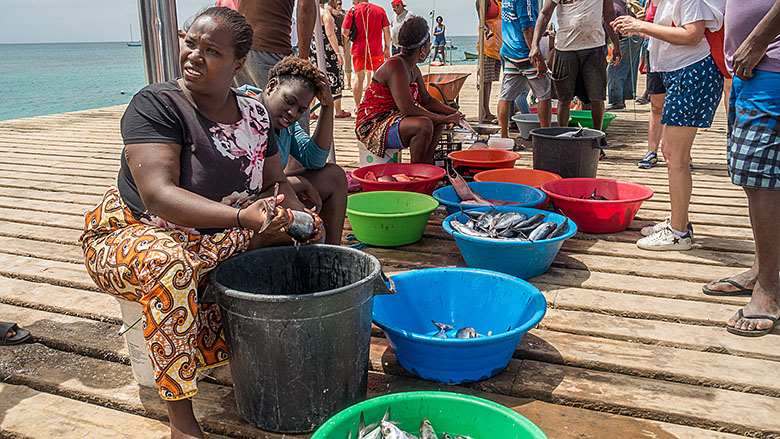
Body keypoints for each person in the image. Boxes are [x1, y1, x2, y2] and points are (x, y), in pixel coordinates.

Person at [79, 9, 324, 439]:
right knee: (172, 265)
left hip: (215, 235)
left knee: (299, 242)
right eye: (191, 43)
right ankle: (181, 420)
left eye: (212, 51)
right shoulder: (157, 104)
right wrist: (241, 217)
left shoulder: (254, 114)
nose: (194, 55)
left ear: (237, 63)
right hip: (136, 232)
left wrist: (292, 212)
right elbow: (158, 195)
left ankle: (268, 356)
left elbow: (271, 181)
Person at [612, 0, 724, 251]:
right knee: (670, 152)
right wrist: (640, 28)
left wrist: (641, 25)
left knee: (676, 156)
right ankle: (678, 221)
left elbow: (692, 35)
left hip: (691, 72)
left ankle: (679, 233)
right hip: (679, 72)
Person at [702, 0, 780, 337]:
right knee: (755, 178)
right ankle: (762, 270)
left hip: (770, 63)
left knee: (764, 182)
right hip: (752, 68)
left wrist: (758, 39)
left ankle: (770, 290)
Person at [261, 56, 348, 245]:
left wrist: (327, 106)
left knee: (334, 176)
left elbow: (314, 159)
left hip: (275, 191)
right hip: (244, 204)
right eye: (289, 101)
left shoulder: (286, 126)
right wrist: (297, 183)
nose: (293, 113)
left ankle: (333, 255)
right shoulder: (246, 112)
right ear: (271, 86)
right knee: (307, 230)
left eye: (301, 110)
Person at [355, 16, 461, 163]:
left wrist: (452, 113)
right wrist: (442, 117)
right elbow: (407, 108)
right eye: (429, 45)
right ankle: (416, 172)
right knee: (424, 125)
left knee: (438, 121)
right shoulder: (396, 66)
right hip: (373, 125)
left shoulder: (413, 68)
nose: (430, 48)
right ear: (422, 49)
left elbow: (427, 100)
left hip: (392, 119)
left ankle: (427, 164)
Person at [530, 0, 623, 134]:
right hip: (565, 48)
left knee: (597, 97)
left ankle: (597, 137)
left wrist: (616, 44)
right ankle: (563, 136)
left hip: (594, 47)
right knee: (564, 99)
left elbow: (609, 14)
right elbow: (545, 14)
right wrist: (534, 45)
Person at [498, 0, 554, 139]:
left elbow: (517, 21)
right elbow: (526, 28)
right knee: (545, 95)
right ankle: (545, 136)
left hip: (509, 51)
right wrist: (538, 56)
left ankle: (503, 137)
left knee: (506, 96)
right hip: (525, 53)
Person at [233, 0, 316, 90]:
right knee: (278, 101)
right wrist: (303, 59)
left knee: (241, 101)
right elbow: (306, 8)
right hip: (269, 47)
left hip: (238, 44)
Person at [342, 0, 391, 108]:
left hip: (358, 50)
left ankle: (357, 107)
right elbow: (386, 31)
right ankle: (377, 105)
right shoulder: (380, 10)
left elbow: (344, 32)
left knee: (359, 78)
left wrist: (352, 36)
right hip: (376, 50)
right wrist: (387, 48)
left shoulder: (353, 11)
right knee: (379, 79)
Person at [310, 0, 351, 119]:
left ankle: (311, 111)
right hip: (327, 51)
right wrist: (338, 53)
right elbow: (330, 35)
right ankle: (338, 111)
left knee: (313, 78)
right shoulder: (325, 14)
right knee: (335, 78)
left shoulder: (311, 12)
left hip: (313, 50)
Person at [637, 0, 664, 169]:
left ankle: (682, 152)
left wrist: (645, 26)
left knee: (675, 107)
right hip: (655, 55)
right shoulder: (650, 2)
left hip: (680, 59)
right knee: (656, 106)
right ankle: (651, 151)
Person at [606, 0, 645, 111]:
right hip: (637, 36)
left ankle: (617, 102)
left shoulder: (611, 5)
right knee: (628, 68)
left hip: (629, 37)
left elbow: (607, 26)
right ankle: (622, 99)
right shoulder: (620, 2)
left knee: (614, 68)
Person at [476, 0, 503, 124]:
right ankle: (485, 111)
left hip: (497, 46)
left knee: (490, 80)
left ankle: (487, 111)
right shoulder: (484, 1)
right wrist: (486, 29)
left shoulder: (499, 2)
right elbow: (481, 20)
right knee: (485, 81)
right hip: (488, 45)